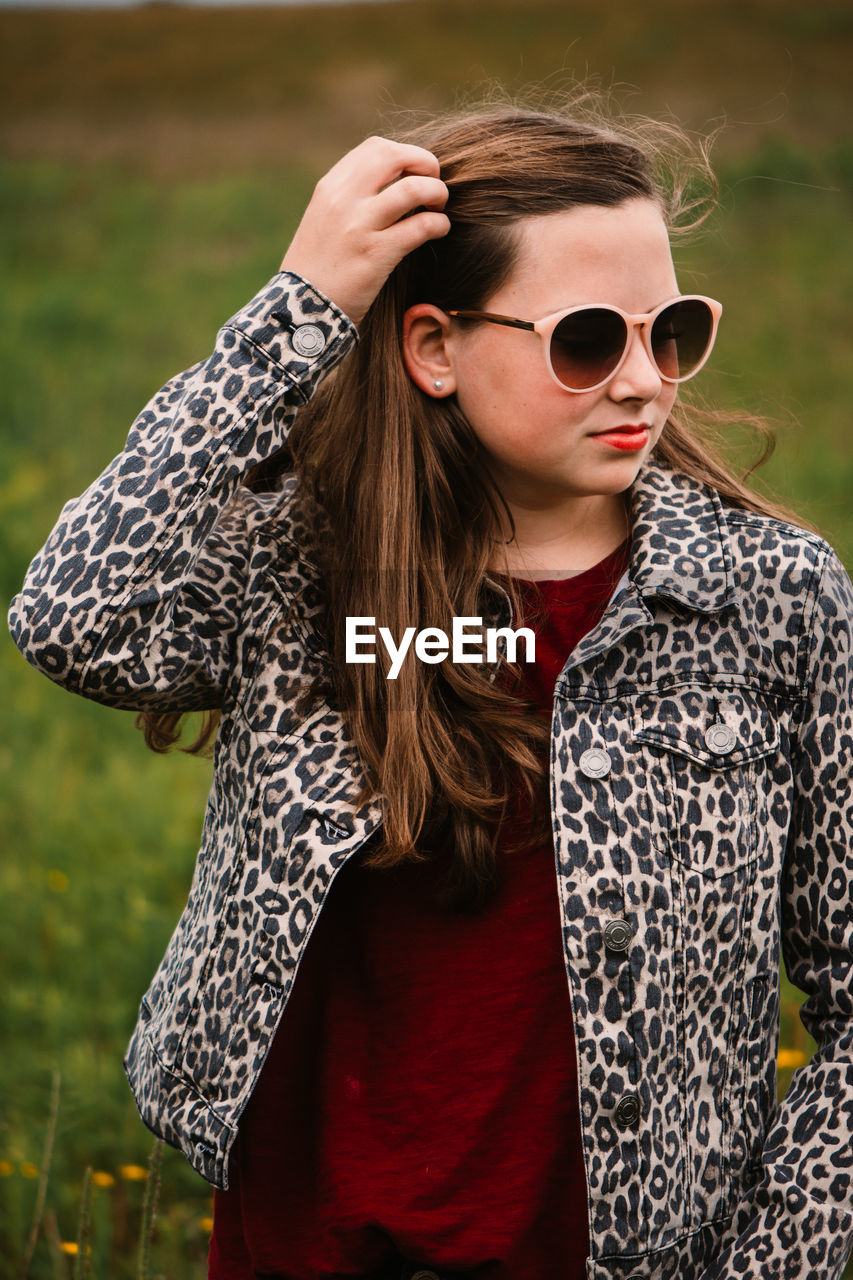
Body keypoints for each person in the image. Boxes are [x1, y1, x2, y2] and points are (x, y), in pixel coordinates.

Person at [8, 99, 853, 1280]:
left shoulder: (767, 599)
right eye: (586, 337)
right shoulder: (309, 574)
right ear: (433, 348)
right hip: (309, 1243)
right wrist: (293, 315)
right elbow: (73, 616)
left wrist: (774, 1258)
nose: (639, 379)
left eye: (673, 333)